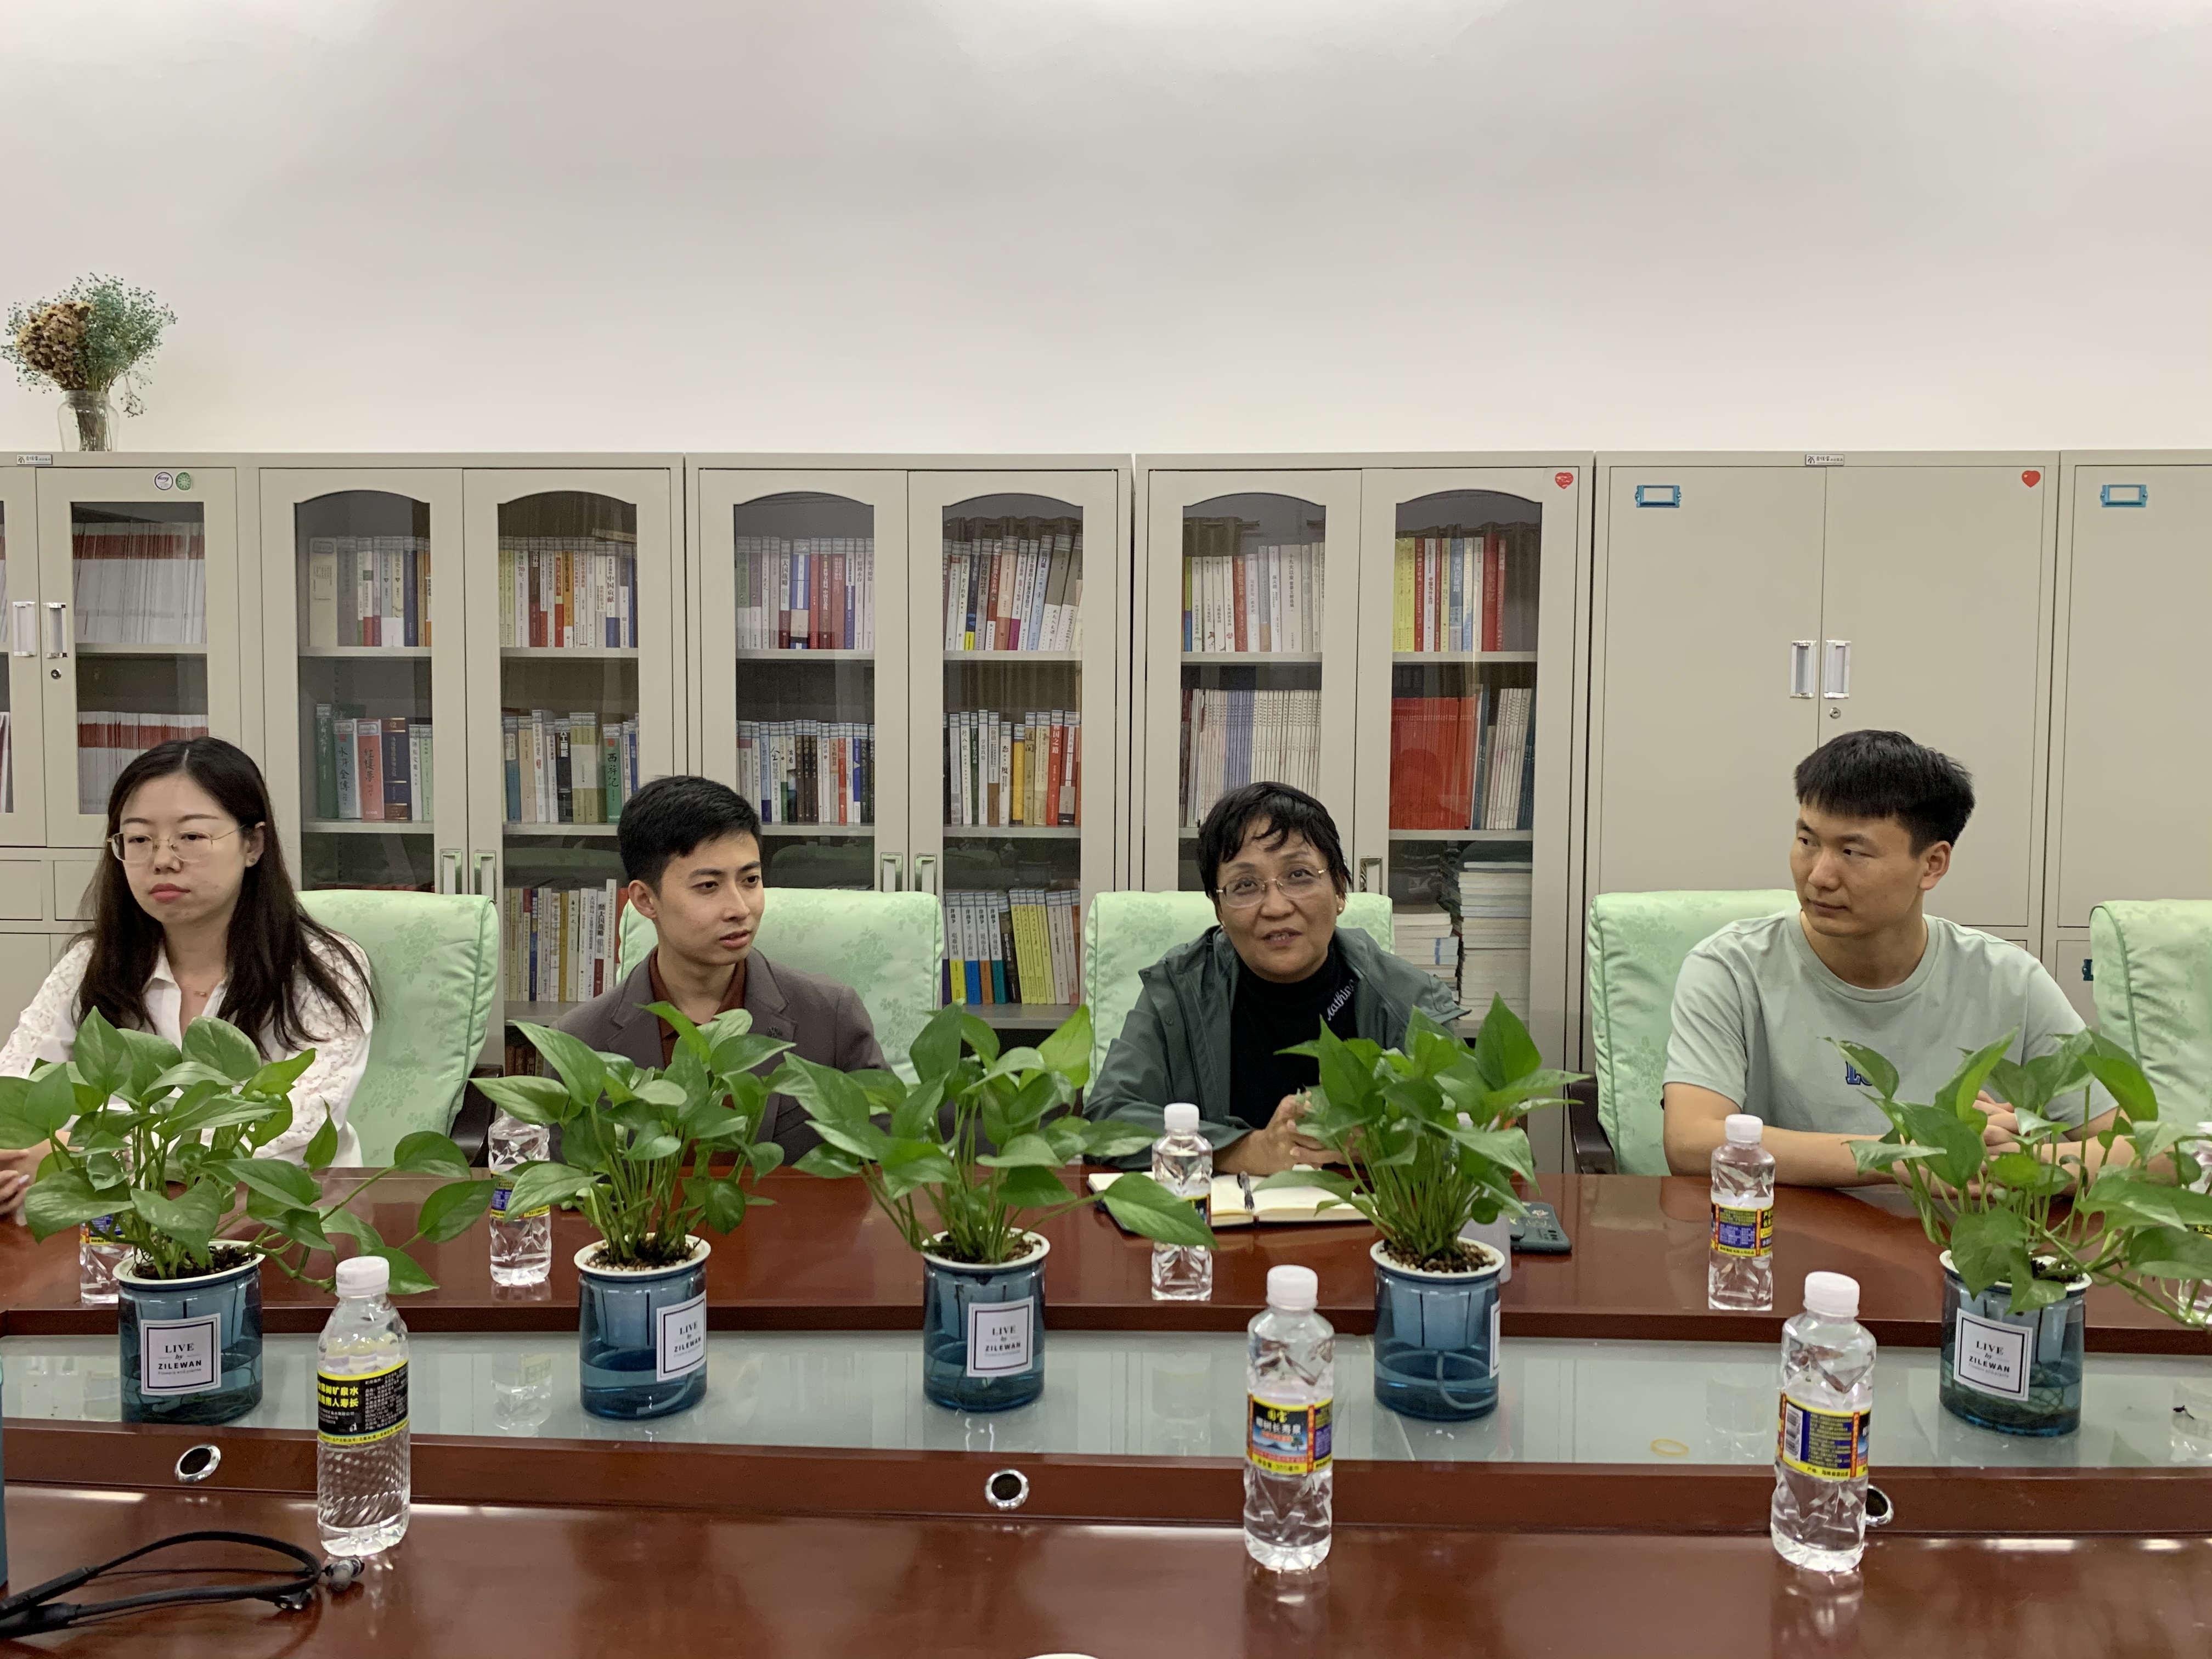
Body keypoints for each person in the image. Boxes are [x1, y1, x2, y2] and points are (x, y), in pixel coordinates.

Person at [1663, 730, 2114, 1187]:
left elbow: (2136, 1151)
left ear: (1933, 864)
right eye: (1807, 841)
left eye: (1852, 852)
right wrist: (1908, 1157)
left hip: (1950, 1231)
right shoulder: (1731, 968)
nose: (1819, 876)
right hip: (1781, 1230)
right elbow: (1691, 1141)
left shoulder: (2009, 981)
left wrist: (2021, 1161)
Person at [0, 738, 374, 1220]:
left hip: (277, 1224)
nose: (163, 859)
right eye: (139, 839)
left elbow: (288, 1136)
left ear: (253, 845)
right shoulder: (91, 963)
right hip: (109, 1226)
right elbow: (15, 1090)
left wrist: (75, 1154)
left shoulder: (322, 970)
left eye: (191, 837)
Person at [1089, 781, 1462, 1175]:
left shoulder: (1409, 1000)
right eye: (1245, 885)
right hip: (1218, 1213)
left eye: (1299, 875)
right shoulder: (1179, 992)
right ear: (1219, 909)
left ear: (1339, 889)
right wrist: (1247, 1151)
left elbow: (1459, 1136)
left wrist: (1382, 1140)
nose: (1276, 907)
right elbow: (1107, 1121)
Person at [557, 775, 885, 1162]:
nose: (740, 909)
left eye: (750, 880)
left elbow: (888, 1167)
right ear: (645, 900)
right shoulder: (580, 1042)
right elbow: (575, 1189)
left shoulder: (830, 1018)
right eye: (709, 886)